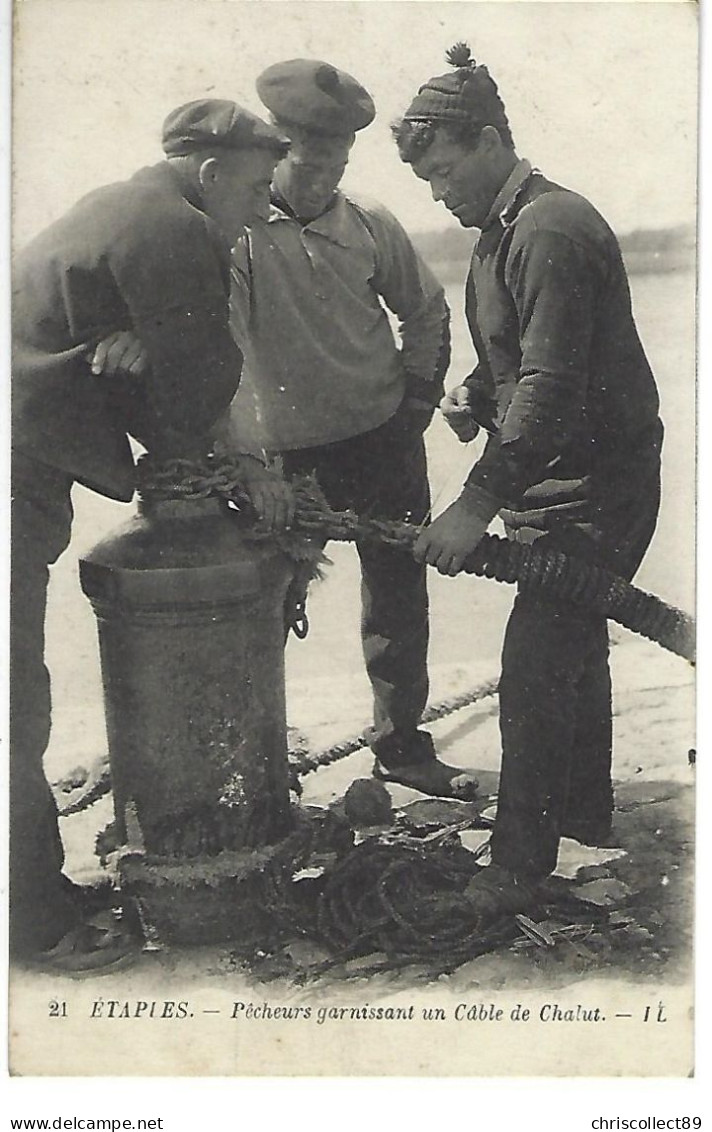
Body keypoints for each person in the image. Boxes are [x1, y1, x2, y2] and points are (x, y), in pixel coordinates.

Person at [11, 99, 292, 972]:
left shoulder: (118, 209)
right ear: (210, 176)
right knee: (11, 697)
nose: (260, 211)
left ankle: (35, 893)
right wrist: (237, 464)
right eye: (253, 191)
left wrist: (137, 345)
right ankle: (32, 925)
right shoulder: (174, 225)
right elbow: (201, 382)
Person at [392, 44, 663, 923]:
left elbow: (550, 390)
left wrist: (472, 505)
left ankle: (518, 866)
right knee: (572, 644)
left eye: (442, 172)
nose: (437, 193)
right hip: (560, 479)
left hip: (597, 486)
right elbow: (519, 361)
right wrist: (478, 392)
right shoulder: (499, 235)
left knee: (535, 667)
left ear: (490, 141)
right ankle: (584, 811)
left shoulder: (549, 228)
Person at [227, 58, 478, 799]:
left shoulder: (369, 221)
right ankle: (255, 764)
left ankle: (402, 746)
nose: (322, 179)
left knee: (398, 597)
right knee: (263, 606)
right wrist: (253, 463)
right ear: (275, 152)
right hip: (285, 457)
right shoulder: (238, 236)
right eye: (308, 163)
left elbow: (427, 309)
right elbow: (231, 353)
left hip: (380, 438)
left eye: (336, 164)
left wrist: (418, 404)